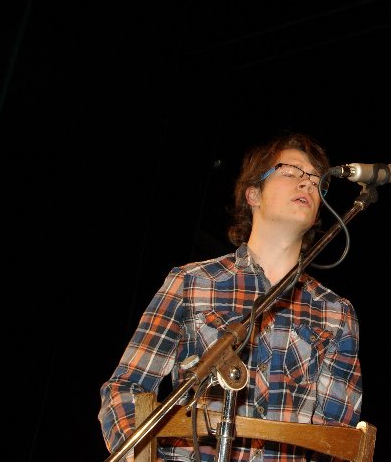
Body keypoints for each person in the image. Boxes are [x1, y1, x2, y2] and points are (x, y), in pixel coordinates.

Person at [99, 132, 363, 462]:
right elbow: (125, 389)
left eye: (315, 180)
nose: (307, 183)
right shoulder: (191, 282)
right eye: (290, 171)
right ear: (253, 194)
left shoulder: (336, 313)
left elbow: (337, 439)